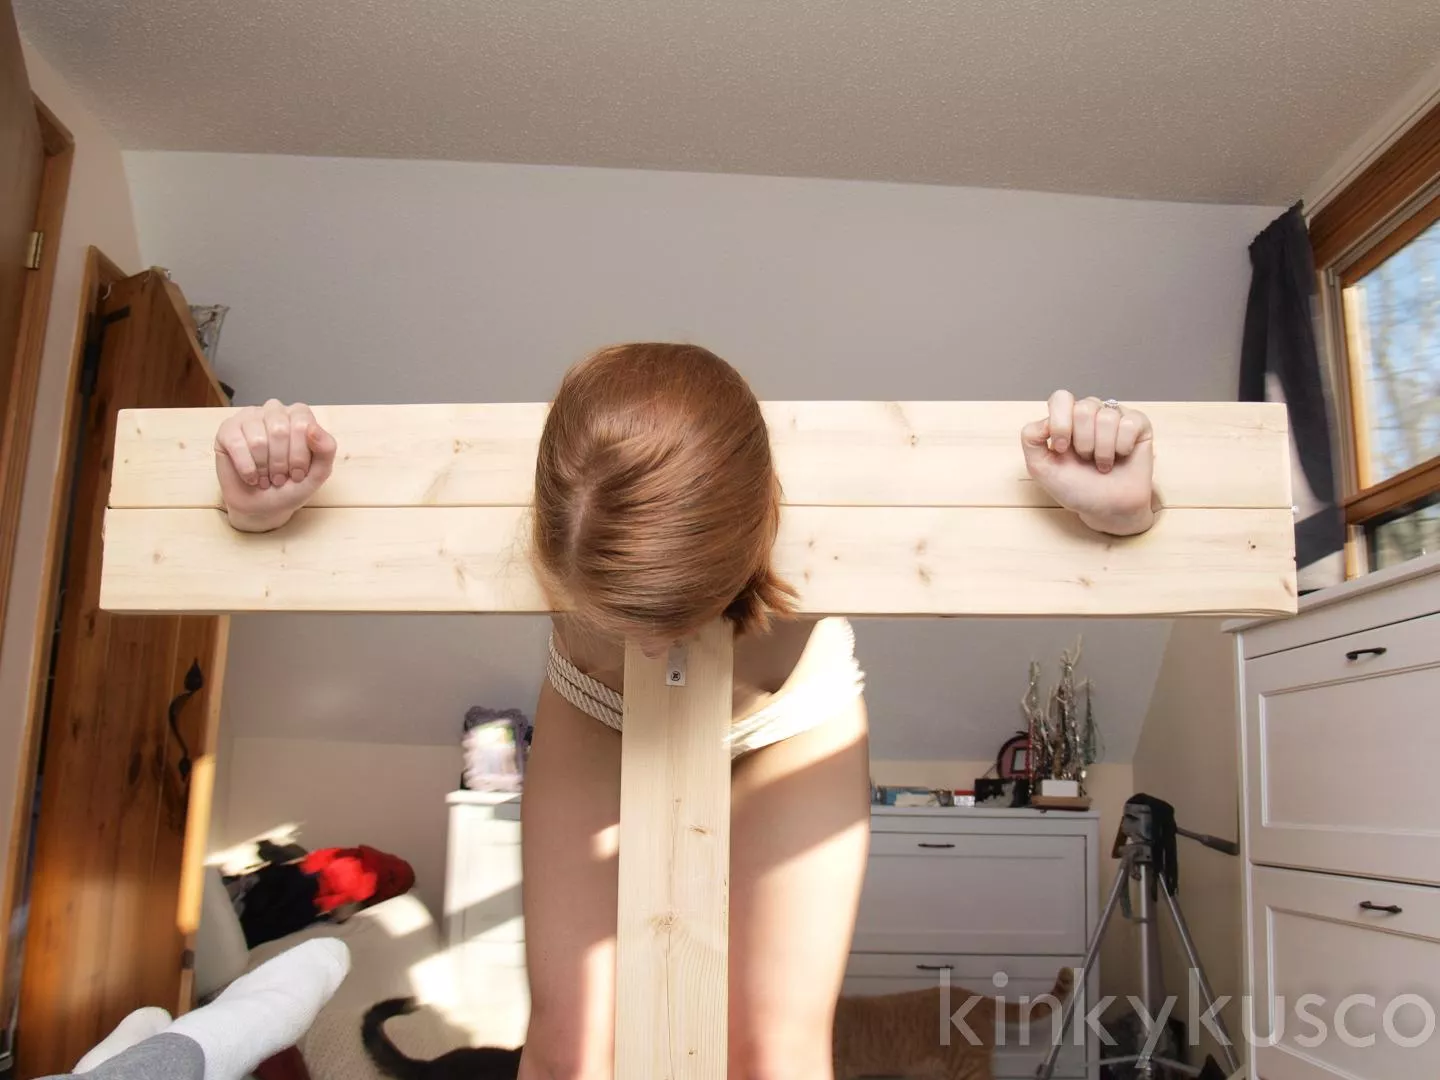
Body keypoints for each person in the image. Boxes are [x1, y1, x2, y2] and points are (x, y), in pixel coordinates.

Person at [212, 343, 1156, 1080]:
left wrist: (1118, 517)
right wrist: (259, 520)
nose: (662, 650)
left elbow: (1040, 534)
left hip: (791, 717)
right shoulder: (552, 527)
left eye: (682, 618)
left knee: (772, 1055)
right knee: (570, 1052)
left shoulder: (825, 527)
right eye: (621, 618)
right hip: (594, 707)